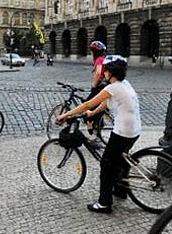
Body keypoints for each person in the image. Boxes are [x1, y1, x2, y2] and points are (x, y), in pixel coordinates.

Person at [56, 55, 141, 214]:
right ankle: (121, 190)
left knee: (106, 165)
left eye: (105, 71)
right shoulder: (123, 84)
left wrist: (66, 115)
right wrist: (92, 113)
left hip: (123, 131)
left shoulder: (112, 88)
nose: (103, 74)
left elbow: (88, 103)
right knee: (120, 160)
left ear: (110, 72)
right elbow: (104, 104)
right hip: (134, 130)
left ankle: (104, 203)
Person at [85, 40, 108, 141]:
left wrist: (94, 85)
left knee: (88, 106)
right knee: (97, 108)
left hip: (99, 87)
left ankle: (94, 132)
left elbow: (98, 73)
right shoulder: (104, 58)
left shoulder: (99, 60)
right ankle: (97, 128)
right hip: (105, 87)